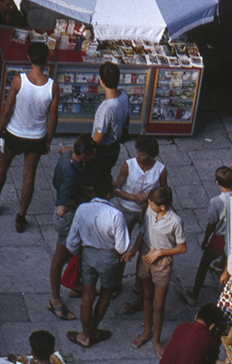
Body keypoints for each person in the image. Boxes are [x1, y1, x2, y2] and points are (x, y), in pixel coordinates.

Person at [0, 38, 58, 233]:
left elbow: (6, 110)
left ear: (29, 58)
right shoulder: (52, 86)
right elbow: (53, 117)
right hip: (36, 137)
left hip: (14, 133)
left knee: (2, 165)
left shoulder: (18, 80)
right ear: (46, 61)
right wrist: (48, 140)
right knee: (29, 175)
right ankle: (21, 217)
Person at [66, 196, 133, 348]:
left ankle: (84, 335)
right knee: (106, 293)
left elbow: (71, 243)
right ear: (108, 194)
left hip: (88, 256)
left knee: (87, 295)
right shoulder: (116, 215)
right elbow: (122, 248)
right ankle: (93, 330)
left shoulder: (82, 209)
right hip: (109, 259)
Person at [111, 136, 167, 308]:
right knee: (121, 246)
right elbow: (116, 189)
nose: (139, 156)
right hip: (127, 209)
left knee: (143, 247)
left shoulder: (160, 170)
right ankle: (116, 282)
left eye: (143, 154)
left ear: (151, 155)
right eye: (138, 152)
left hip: (147, 212)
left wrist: (148, 199)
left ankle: (138, 282)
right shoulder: (129, 165)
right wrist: (136, 198)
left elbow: (165, 191)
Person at [47, 134, 95, 321]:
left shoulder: (67, 155)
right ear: (83, 156)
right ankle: (55, 299)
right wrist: (72, 204)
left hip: (72, 211)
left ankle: (75, 284)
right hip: (67, 218)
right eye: (92, 155)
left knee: (74, 252)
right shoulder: (70, 175)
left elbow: (62, 149)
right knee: (61, 257)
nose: (93, 158)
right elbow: (61, 209)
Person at [133, 184, 186, 351]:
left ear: (162, 207)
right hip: (146, 254)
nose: (148, 205)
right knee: (147, 295)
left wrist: (160, 253)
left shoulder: (175, 221)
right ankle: (147, 330)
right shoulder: (150, 212)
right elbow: (143, 232)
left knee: (158, 304)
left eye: (151, 203)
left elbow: (182, 247)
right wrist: (133, 251)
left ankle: (157, 339)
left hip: (162, 261)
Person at [184, 165, 232, 305]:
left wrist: (205, 240)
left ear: (217, 182)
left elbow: (211, 224)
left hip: (219, 238)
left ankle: (194, 294)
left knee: (204, 264)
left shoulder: (216, 202)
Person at [88, 62, 130, 200]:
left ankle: (102, 199)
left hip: (103, 151)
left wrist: (85, 151)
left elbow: (98, 138)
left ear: (101, 81)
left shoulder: (106, 109)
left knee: (95, 180)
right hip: (114, 147)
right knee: (105, 174)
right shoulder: (123, 95)